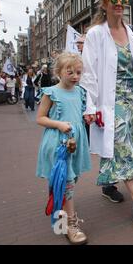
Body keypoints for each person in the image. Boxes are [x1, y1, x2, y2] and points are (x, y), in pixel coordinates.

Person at [80, 0, 133, 224]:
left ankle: (108, 184)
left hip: (131, 101)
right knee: (123, 146)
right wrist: (90, 107)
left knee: (124, 143)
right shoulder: (96, 34)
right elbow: (90, 73)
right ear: (104, 4)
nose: (118, 3)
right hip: (110, 101)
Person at [35, 52, 91, 245]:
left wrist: (88, 118)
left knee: (69, 180)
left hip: (76, 143)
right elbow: (40, 118)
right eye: (70, 72)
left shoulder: (80, 91)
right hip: (59, 144)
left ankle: (60, 211)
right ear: (58, 72)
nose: (75, 76)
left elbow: (79, 113)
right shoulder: (51, 92)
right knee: (67, 183)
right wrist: (59, 124)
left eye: (78, 72)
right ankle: (70, 225)